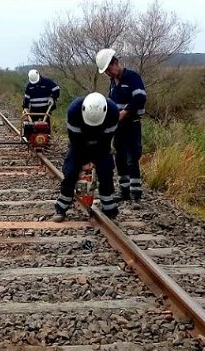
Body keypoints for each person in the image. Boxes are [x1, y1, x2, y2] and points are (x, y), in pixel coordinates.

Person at [52, 92, 120, 222]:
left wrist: (95, 161)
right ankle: (61, 208)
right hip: (79, 144)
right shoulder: (74, 110)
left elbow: (106, 141)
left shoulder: (113, 112)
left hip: (101, 144)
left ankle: (110, 210)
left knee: (106, 171)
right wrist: (84, 161)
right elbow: (75, 141)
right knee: (71, 172)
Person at [96, 48, 147, 202]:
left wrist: (124, 113)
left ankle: (136, 195)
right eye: (106, 72)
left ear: (116, 63)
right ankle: (124, 192)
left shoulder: (132, 77)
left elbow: (140, 98)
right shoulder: (113, 83)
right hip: (118, 126)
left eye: (109, 70)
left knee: (132, 158)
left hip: (132, 124)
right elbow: (111, 102)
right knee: (120, 158)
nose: (108, 74)